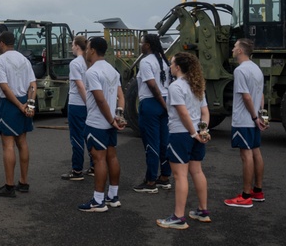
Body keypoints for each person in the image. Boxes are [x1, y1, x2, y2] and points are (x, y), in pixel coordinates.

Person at [156, 52, 211, 230]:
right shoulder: (197, 85)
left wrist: (194, 133)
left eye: (172, 64)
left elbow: (183, 113)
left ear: (178, 67)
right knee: (197, 171)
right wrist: (202, 131)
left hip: (181, 134)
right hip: (195, 134)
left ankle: (179, 217)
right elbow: (205, 112)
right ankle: (203, 211)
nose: (170, 66)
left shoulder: (175, 86)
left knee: (180, 176)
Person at [77, 36, 127, 213]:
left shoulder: (91, 72)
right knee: (111, 157)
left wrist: (112, 119)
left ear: (92, 50)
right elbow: (121, 96)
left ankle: (98, 200)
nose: (86, 51)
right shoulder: (112, 70)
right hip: (110, 123)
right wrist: (118, 116)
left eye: (87, 47)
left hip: (98, 122)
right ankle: (113, 196)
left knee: (99, 160)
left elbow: (100, 99)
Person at [0, 30, 36, 198]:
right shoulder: (24, 60)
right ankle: (23, 182)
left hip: (10, 104)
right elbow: (33, 84)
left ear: (1, 43)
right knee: (22, 142)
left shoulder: (0, 61)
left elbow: (4, 86)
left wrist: (19, 106)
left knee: (8, 145)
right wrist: (29, 104)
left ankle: (9, 186)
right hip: (24, 98)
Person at [224, 39, 268, 208]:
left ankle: (245, 195)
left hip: (244, 119)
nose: (233, 49)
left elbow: (246, 96)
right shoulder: (256, 69)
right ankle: (258, 191)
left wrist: (254, 118)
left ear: (241, 51)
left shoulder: (240, 71)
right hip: (253, 118)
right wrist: (260, 115)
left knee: (246, 155)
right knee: (256, 152)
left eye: (235, 47)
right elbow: (260, 94)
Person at [133, 33, 172, 193]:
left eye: (142, 42)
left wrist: (162, 105)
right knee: (164, 141)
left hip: (151, 103)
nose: (141, 45)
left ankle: (150, 181)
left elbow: (152, 85)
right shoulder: (163, 60)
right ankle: (164, 177)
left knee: (151, 143)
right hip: (165, 100)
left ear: (148, 45)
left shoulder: (145, 61)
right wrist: (166, 106)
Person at [61, 35, 91, 181]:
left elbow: (79, 86)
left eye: (73, 45)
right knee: (89, 136)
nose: (72, 48)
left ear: (78, 46)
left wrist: (87, 102)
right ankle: (93, 166)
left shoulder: (75, 63)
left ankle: (77, 170)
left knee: (77, 137)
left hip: (77, 104)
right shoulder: (89, 62)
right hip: (88, 104)